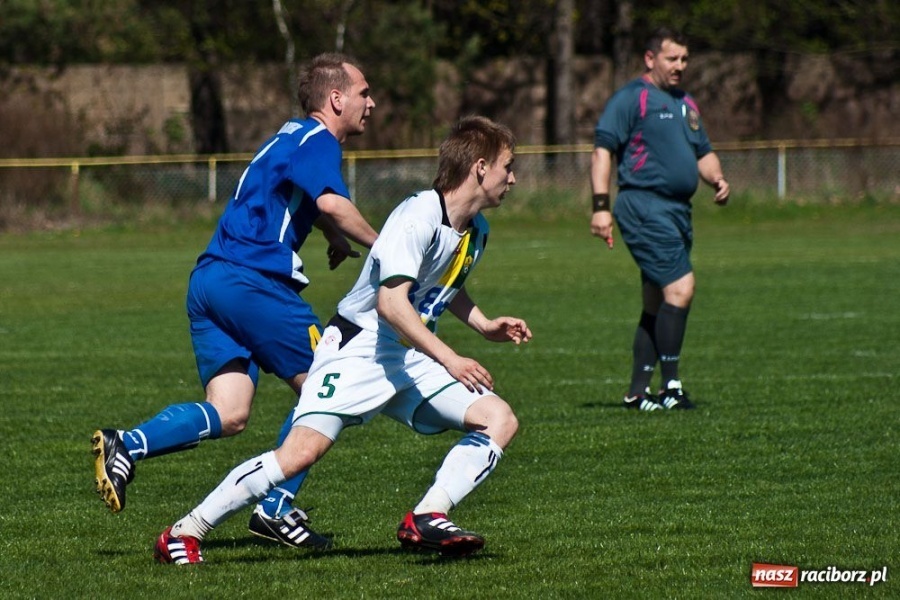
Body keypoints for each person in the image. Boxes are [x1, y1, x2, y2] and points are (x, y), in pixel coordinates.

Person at [152, 115, 530, 565]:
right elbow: (391, 304)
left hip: (408, 354)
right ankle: (183, 532)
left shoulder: (476, 230)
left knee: (498, 419)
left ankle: (428, 515)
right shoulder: (418, 215)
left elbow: (439, 285)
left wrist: (484, 324)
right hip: (358, 349)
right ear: (481, 168)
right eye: (509, 166)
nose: (514, 177)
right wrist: (451, 358)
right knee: (298, 453)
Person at [91, 53, 380, 549]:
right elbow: (331, 200)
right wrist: (388, 248)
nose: (370, 104)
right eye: (364, 93)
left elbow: (301, 198)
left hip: (210, 281)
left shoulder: (287, 135)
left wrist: (332, 237)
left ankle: (127, 444)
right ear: (336, 99)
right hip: (254, 284)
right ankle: (275, 508)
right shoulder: (320, 140)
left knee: (229, 412)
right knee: (328, 389)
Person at [589, 27, 730, 411]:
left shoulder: (686, 103)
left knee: (656, 300)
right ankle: (671, 387)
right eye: (672, 58)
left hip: (678, 212)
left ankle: (638, 392)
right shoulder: (632, 99)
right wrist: (600, 205)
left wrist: (716, 178)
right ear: (650, 59)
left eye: (685, 59)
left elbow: (704, 151)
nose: (680, 66)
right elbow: (603, 150)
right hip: (643, 206)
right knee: (681, 288)